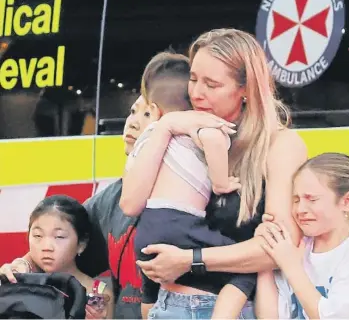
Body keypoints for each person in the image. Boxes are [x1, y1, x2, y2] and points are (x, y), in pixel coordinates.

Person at [0, 51, 236, 319]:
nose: (133, 121)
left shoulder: (204, 192)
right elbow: (64, 236)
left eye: (147, 113)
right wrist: (24, 264)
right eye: (133, 111)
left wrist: (190, 260)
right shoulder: (111, 198)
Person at [122, 28, 307, 318]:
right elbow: (130, 204)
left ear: (246, 90)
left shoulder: (279, 146)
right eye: (193, 79)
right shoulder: (181, 133)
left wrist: (190, 260)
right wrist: (166, 126)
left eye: (212, 84)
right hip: (168, 305)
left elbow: (277, 250)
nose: (196, 93)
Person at [121, 51, 256, 319]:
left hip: (148, 234)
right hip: (181, 227)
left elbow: (130, 202)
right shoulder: (197, 124)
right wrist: (221, 182)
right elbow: (215, 141)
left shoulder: (148, 136)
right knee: (246, 269)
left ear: (155, 109)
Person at [254, 153, 349, 319]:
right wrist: (266, 252)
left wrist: (291, 266)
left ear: (347, 202)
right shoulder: (298, 247)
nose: (300, 209)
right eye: (296, 200)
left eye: (311, 199)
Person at [20, 195, 114, 319]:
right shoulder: (21, 284)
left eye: (59, 237)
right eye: (38, 236)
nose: (46, 247)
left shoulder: (99, 294)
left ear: (81, 244)